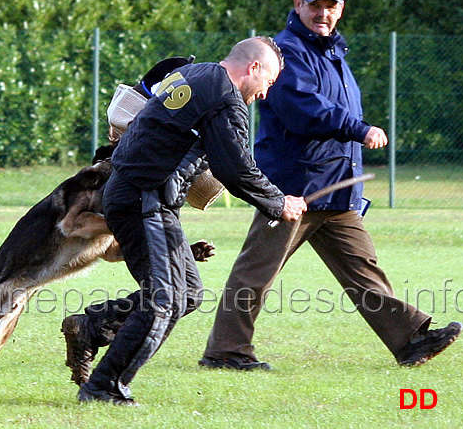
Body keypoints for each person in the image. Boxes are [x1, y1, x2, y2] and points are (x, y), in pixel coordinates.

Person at [200, 0, 462, 371]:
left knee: (363, 269)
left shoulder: (334, 52)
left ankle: (410, 339)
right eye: (315, 4)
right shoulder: (285, 52)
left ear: (340, 10)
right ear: (298, 5)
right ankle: (225, 352)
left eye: (331, 5)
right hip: (295, 188)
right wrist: (360, 129)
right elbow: (302, 109)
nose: (323, 12)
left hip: (336, 188)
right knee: (256, 271)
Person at [61, 36, 307, 405]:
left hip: (141, 195)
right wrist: (278, 202)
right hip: (145, 198)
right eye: (268, 82)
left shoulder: (194, 74)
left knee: (187, 292)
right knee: (164, 299)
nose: (265, 94)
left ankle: (94, 326)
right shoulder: (225, 97)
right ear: (253, 67)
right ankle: (104, 387)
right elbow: (235, 168)